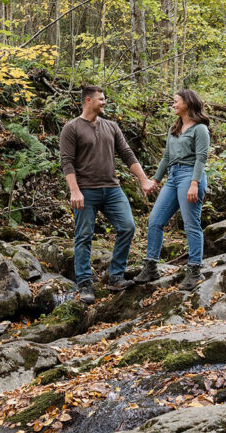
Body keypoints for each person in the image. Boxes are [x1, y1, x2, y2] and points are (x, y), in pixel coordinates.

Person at [60, 85, 157, 304]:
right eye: (101, 99)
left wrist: (143, 179)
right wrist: (74, 191)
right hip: (85, 191)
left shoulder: (111, 126)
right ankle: (85, 283)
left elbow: (126, 153)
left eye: (104, 99)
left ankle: (115, 276)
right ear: (88, 101)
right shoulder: (71, 128)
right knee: (84, 236)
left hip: (112, 189)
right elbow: (67, 162)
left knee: (127, 227)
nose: (104, 102)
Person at [135, 89, 211, 291]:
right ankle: (151, 267)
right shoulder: (174, 129)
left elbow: (201, 158)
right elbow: (166, 158)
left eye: (176, 101)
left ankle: (195, 270)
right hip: (173, 177)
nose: (173, 104)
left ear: (188, 103)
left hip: (190, 176)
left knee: (191, 224)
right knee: (155, 220)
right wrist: (155, 181)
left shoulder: (200, 129)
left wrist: (194, 183)